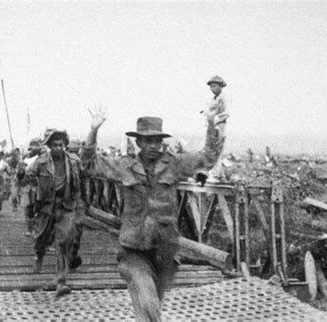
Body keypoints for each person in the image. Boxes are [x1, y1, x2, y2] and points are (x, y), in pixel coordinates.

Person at [82, 108, 223, 322]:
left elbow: (208, 158)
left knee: (152, 303)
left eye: (157, 140)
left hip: (165, 248)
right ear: (138, 142)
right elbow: (90, 165)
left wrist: (212, 125)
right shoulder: (125, 166)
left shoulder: (174, 164)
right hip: (134, 248)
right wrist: (93, 130)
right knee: (147, 301)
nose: (154, 146)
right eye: (148, 141)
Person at [18, 129, 84, 298]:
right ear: (49, 146)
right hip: (46, 206)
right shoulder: (40, 163)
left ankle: (61, 282)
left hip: (66, 205)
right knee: (40, 237)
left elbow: (83, 181)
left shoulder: (75, 161)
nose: (58, 148)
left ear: (65, 145)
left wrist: (82, 205)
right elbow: (26, 180)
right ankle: (38, 256)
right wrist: (20, 173)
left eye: (61, 145)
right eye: (54, 145)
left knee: (63, 241)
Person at [16, 139, 44, 236]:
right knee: (28, 208)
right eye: (32, 146)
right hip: (28, 187)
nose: (34, 149)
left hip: (41, 187)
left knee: (40, 209)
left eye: (36, 146)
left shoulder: (43, 158)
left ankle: (38, 229)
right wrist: (20, 173)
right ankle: (29, 228)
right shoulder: (25, 158)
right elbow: (20, 177)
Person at [205, 75, 230, 182]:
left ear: (220, 86)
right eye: (211, 87)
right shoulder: (213, 99)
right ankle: (220, 175)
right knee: (211, 149)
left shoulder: (224, 98)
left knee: (217, 150)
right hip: (211, 126)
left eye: (214, 86)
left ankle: (215, 175)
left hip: (219, 126)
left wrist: (215, 119)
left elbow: (226, 113)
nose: (212, 89)